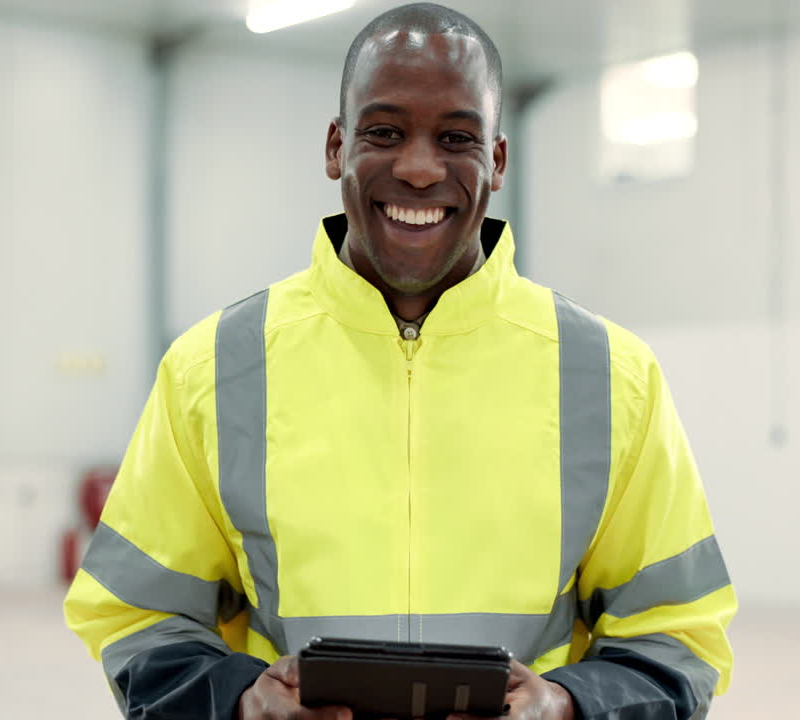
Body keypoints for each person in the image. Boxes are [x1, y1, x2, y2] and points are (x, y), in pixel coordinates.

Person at [64, 4, 736, 718]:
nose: (418, 168)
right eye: (384, 132)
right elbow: (135, 613)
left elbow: (678, 636)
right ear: (336, 148)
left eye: (456, 138)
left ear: (497, 161)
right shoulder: (212, 369)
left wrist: (570, 704)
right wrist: (238, 701)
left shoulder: (610, 376)